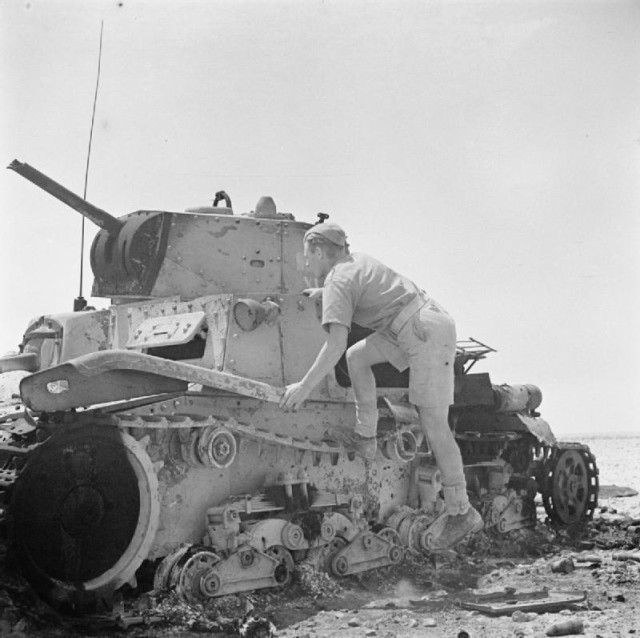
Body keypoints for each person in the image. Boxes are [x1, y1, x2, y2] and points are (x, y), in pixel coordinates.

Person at [279, 222, 483, 550]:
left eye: (308, 256)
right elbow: (362, 290)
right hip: (410, 323)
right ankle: (365, 437)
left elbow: (333, 345)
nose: (306, 264)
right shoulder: (354, 262)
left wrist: (303, 388)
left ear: (319, 251)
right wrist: (323, 294)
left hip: (422, 331)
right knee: (358, 357)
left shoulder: (338, 281)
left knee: (434, 423)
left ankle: (461, 511)